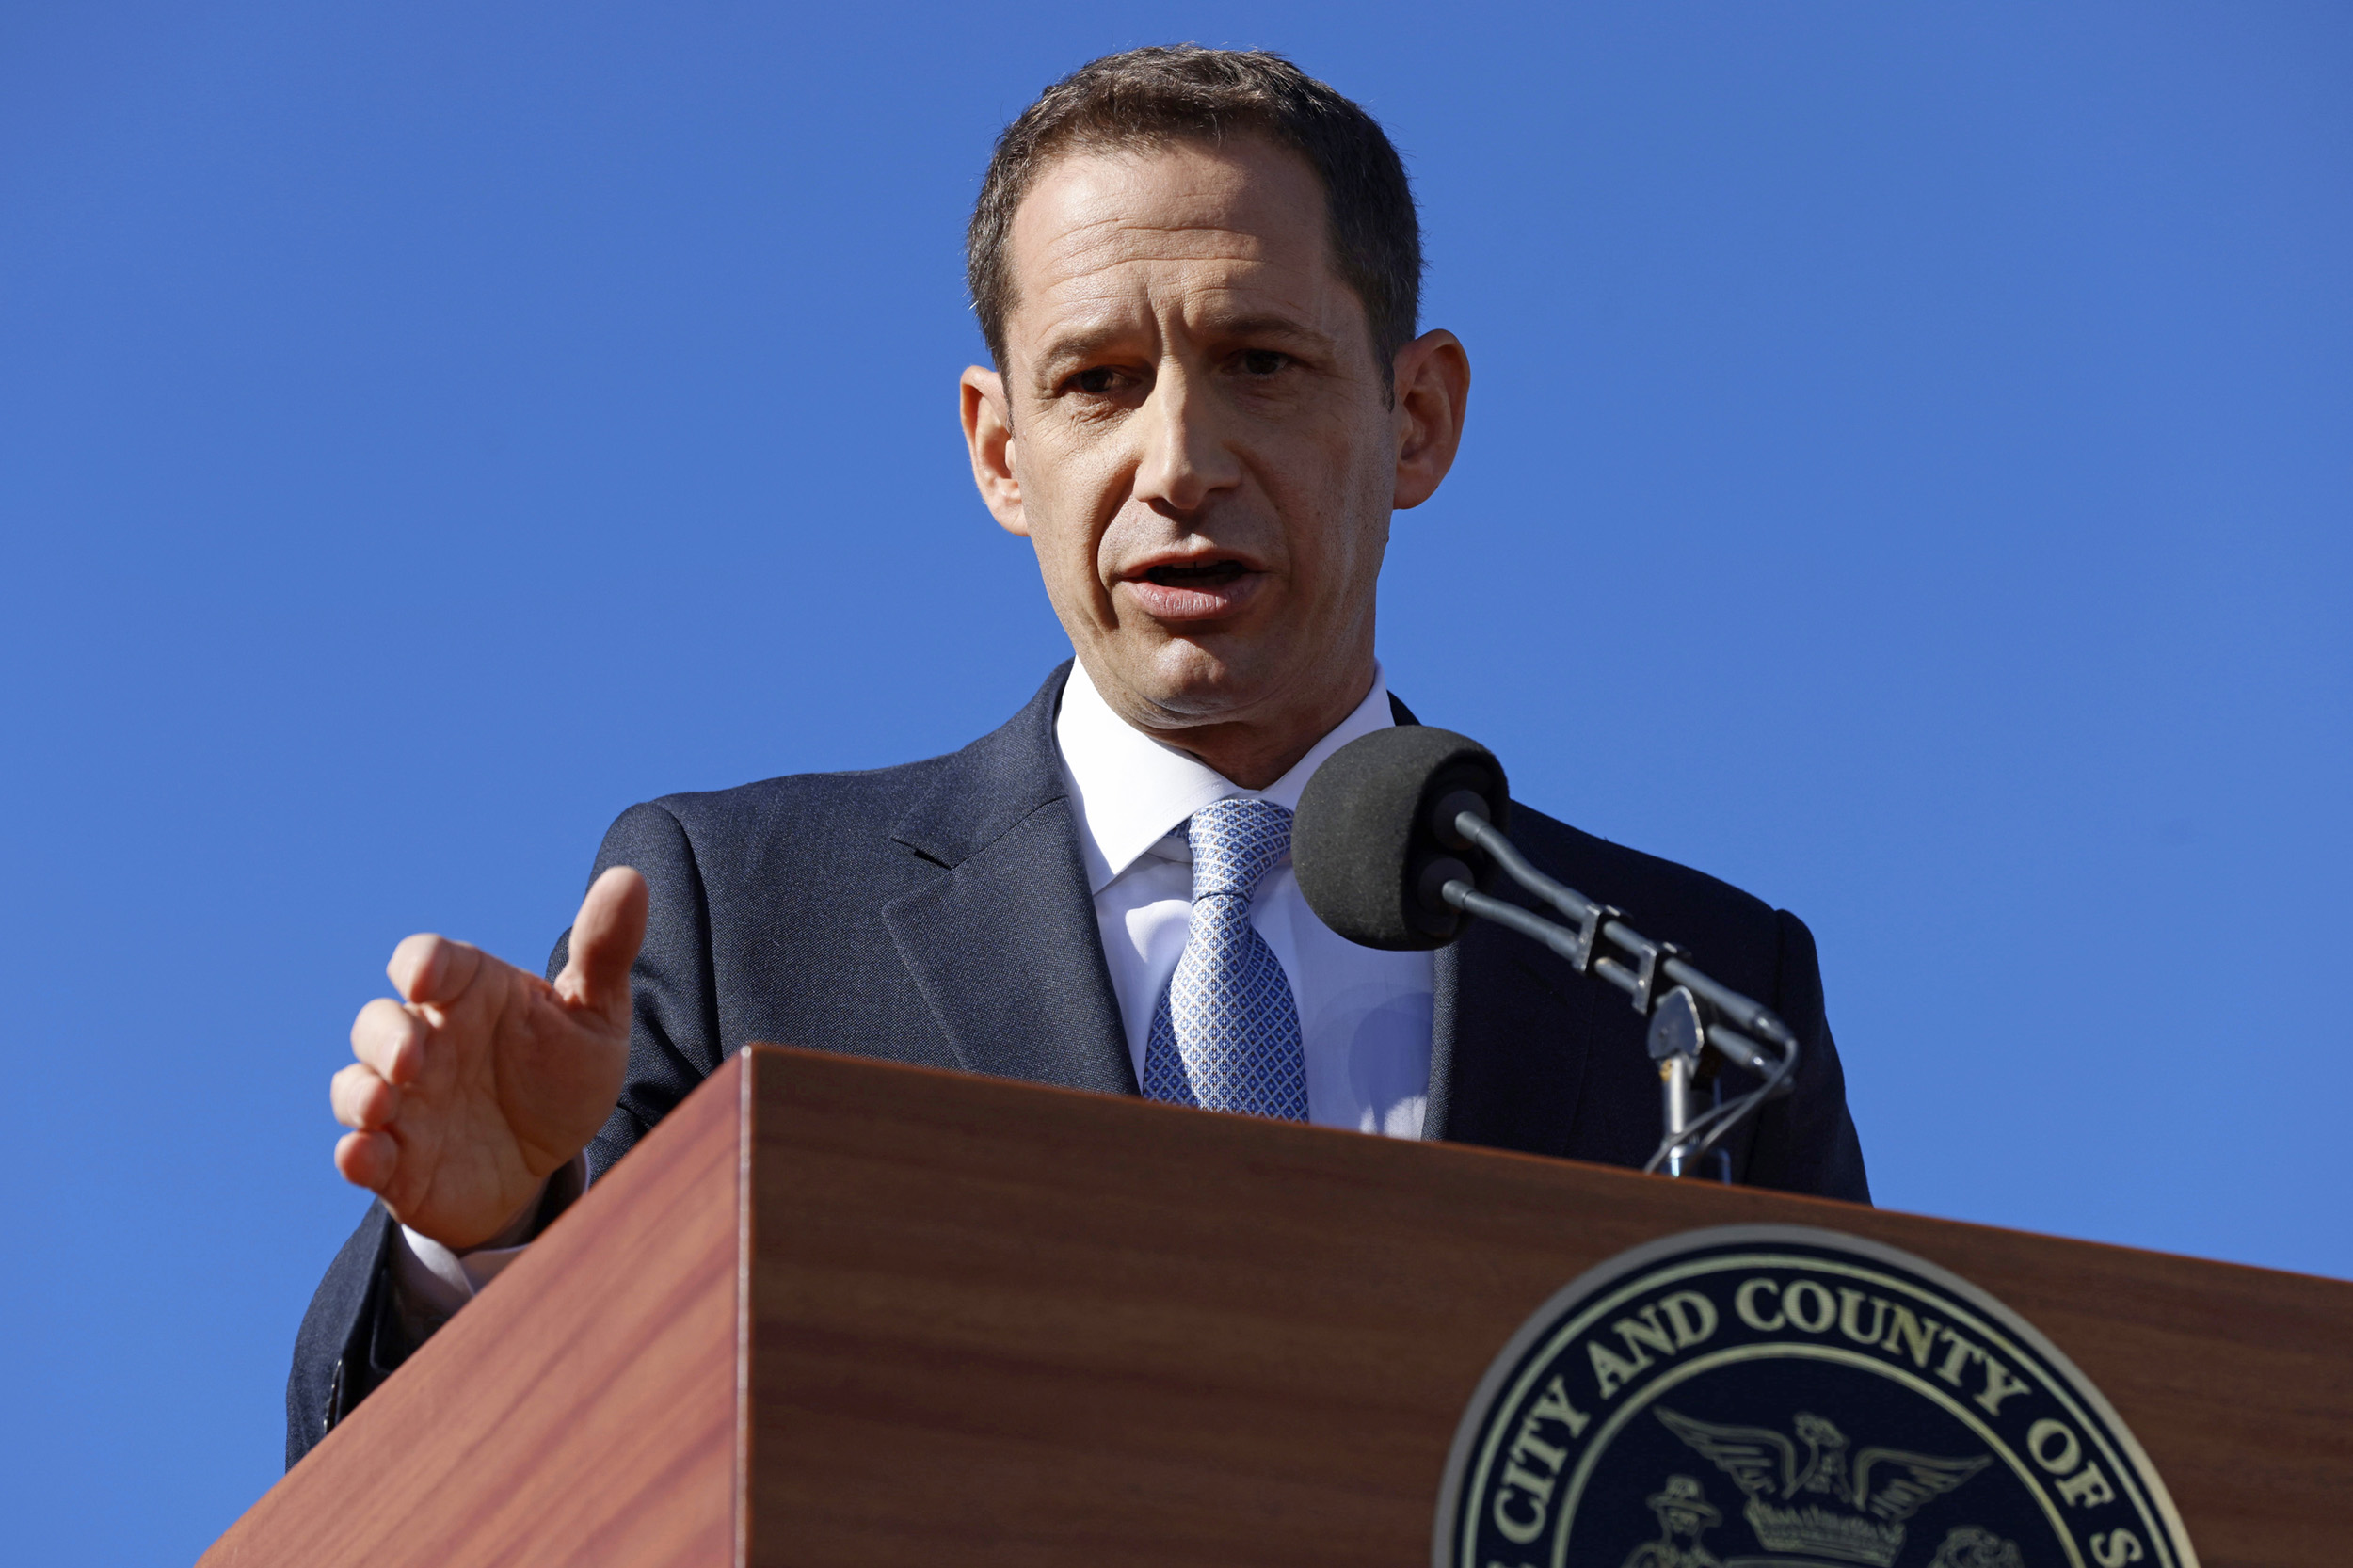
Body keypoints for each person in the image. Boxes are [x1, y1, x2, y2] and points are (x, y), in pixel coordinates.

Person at [292, 45, 1869, 1467]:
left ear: (1417, 418)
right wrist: (488, 1241)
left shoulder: (1694, 987)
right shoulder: (741, 916)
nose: (1177, 460)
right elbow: (506, 1479)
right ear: (999, 448)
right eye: (1098, 382)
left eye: (1259, 361)